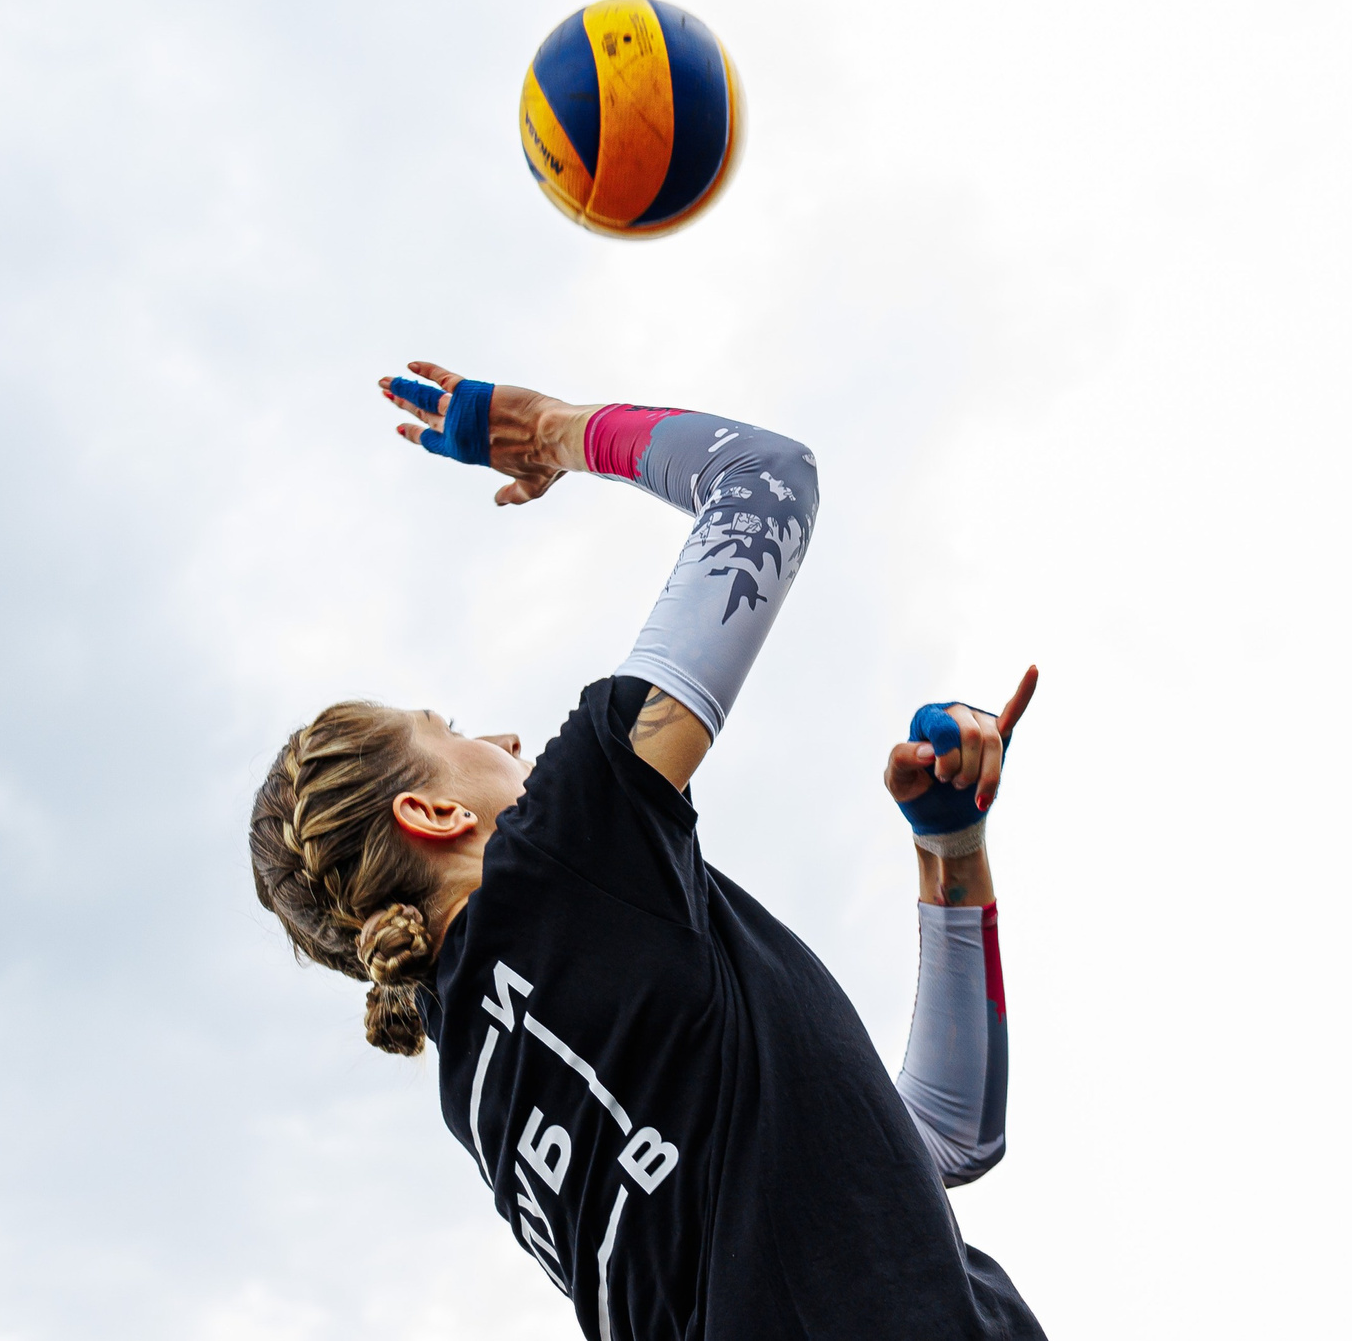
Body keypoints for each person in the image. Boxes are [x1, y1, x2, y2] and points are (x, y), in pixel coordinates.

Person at [247, 361, 1046, 1341]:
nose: (499, 739)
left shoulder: (486, 1089)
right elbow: (766, 477)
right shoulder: (565, 854)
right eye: (449, 725)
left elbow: (938, 1140)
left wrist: (948, 842)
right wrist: (549, 428)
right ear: (433, 811)